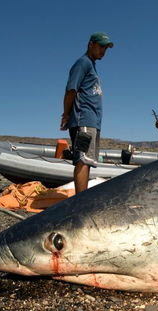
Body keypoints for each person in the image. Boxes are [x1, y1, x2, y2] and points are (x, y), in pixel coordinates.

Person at [60, 32, 113, 193]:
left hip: (92, 122)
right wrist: (66, 114)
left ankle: (81, 198)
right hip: (84, 119)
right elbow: (71, 90)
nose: (103, 51)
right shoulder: (82, 63)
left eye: (106, 48)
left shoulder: (91, 65)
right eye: (101, 46)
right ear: (91, 44)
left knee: (87, 160)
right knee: (82, 160)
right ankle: (79, 202)